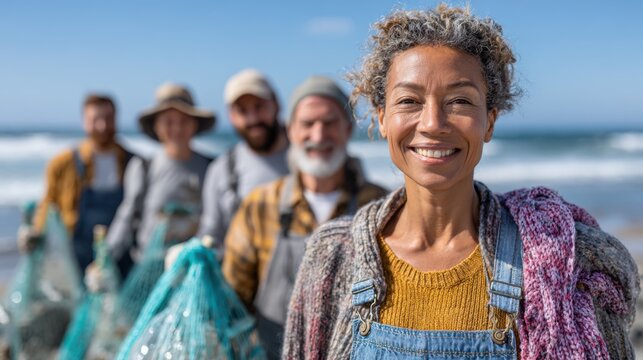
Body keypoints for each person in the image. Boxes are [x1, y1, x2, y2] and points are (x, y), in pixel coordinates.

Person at [283, 5, 639, 360]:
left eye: (460, 101)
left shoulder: (563, 264)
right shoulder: (333, 257)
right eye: (409, 100)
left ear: (489, 121)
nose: (433, 123)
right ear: (382, 120)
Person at [222, 76, 388, 359]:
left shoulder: (381, 208)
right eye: (308, 124)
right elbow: (232, 302)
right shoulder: (260, 206)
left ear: (348, 129)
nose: (319, 135)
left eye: (330, 123)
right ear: (291, 131)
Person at [103, 83, 215, 276]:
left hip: (196, 270)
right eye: (169, 121)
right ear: (157, 126)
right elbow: (126, 216)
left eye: (184, 120)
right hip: (149, 270)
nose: (177, 128)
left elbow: (217, 223)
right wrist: (105, 259)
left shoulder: (212, 167)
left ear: (195, 124)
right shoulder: (143, 167)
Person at [20, 94, 132, 275]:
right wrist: (35, 232)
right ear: (84, 122)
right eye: (95, 119)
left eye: (108, 119)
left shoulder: (132, 162)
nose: (102, 126)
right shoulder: (62, 164)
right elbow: (48, 204)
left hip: (123, 251)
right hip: (78, 251)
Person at [197, 69, 289, 249]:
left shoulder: (309, 160)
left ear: (276, 105)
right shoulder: (221, 169)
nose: (252, 118)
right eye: (242, 110)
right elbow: (211, 231)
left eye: (259, 106)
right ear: (231, 116)